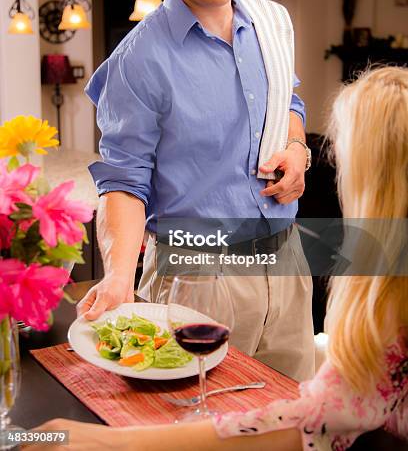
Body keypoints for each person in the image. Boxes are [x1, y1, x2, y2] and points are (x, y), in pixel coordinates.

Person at [33, 66, 408, 450]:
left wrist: (118, 442)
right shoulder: (383, 286)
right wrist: (120, 273)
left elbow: (313, 421)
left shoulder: (382, 302)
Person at [78, 0, 315, 382]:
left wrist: (297, 148)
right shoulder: (139, 61)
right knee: (195, 425)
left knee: (293, 424)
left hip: (287, 262)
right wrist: (119, 277)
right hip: (201, 279)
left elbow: (287, 99)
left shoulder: (271, 22)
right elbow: (123, 179)